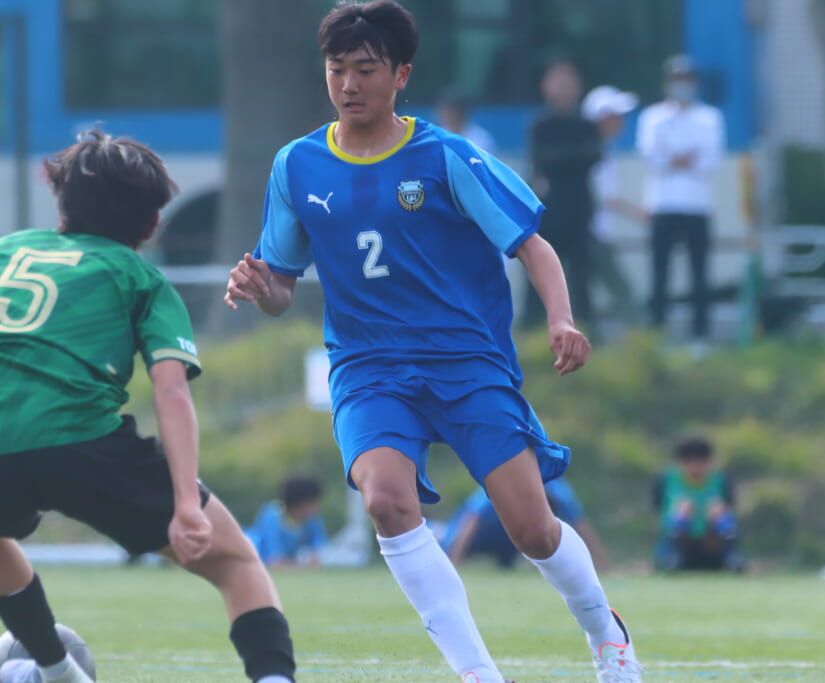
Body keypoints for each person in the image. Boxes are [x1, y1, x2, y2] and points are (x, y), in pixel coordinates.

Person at [222, 3, 641, 681]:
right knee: (386, 501)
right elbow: (281, 289)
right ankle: (478, 673)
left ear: (401, 74)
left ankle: (606, 632)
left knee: (533, 529)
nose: (349, 84)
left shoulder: (446, 155)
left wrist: (561, 319)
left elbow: (531, 244)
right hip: (368, 367)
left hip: (465, 361)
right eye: (337, 69)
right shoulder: (296, 165)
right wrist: (257, 286)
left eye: (366, 69)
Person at [0, 131, 296, 683]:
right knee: (235, 563)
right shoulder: (141, 277)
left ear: (61, 200)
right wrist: (186, 503)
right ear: (152, 223)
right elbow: (170, 389)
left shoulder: (8, 250)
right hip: (82, 443)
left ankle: (55, 672)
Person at [636, 55, 724, 352]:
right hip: (662, 204)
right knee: (660, 273)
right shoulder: (653, 117)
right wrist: (686, 157)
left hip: (698, 206)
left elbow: (711, 161)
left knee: (699, 274)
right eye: (676, 80)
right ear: (667, 83)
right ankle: (657, 335)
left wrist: (673, 158)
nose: (681, 86)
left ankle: (700, 337)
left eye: (686, 80)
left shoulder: (710, 118)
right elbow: (652, 158)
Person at [523, 59, 603, 328]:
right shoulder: (540, 124)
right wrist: (573, 158)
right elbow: (541, 161)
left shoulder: (587, 125)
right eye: (558, 82)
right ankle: (534, 328)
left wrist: (562, 159)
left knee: (581, 275)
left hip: (579, 208)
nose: (564, 88)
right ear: (545, 87)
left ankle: (584, 328)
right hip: (548, 208)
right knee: (540, 272)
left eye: (569, 82)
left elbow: (594, 156)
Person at [581, 85, 647, 326]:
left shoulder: (603, 149)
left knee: (584, 291)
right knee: (620, 290)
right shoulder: (591, 151)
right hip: (591, 233)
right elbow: (605, 197)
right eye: (616, 116)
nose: (621, 122)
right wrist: (640, 214)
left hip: (597, 232)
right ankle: (640, 333)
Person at [442, 479, 610, 571]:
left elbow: (580, 525)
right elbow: (471, 519)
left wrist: (603, 565)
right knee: (439, 545)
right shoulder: (501, 480)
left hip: (513, 540)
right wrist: (453, 562)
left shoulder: (555, 487)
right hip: (482, 535)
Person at [652, 437, 743, 572]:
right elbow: (656, 515)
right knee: (681, 513)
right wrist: (681, 518)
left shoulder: (721, 479)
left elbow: (730, 508)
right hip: (682, 545)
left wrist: (716, 516)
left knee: (722, 517)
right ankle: (670, 558)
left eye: (700, 461)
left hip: (711, 544)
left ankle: (732, 558)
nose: (695, 467)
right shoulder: (666, 480)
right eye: (688, 461)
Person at [247, 476, 328, 568]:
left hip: (289, 564)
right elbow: (275, 560)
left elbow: (318, 549)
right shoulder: (273, 515)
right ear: (300, 503)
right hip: (256, 560)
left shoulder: (311, 520)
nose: (316, 508)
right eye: (313, 503)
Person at [435, 88, 497, 155]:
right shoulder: (435, 135)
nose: (445, 114)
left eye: (451, 111)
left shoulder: (481, 138)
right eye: (443, 109)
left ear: (461, 112)